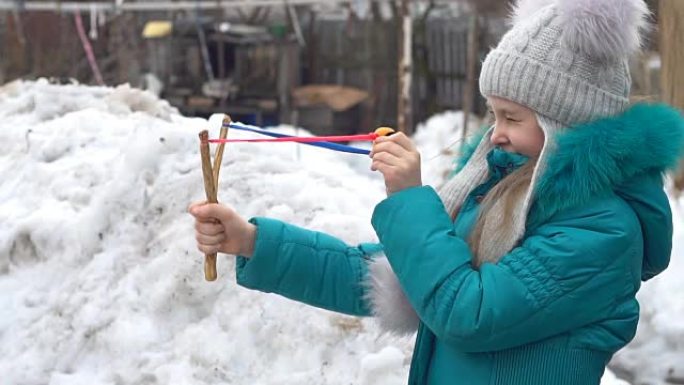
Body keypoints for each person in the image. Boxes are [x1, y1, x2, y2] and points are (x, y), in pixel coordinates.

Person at [189, 0, 684, 384]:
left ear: (567, 123)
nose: (495, 133)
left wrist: (409, 200)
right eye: (493, 113)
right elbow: (397, 274)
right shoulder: (505, 188)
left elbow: (467, 312)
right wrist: (254, 241)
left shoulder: (602, 232)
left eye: (513, 117)